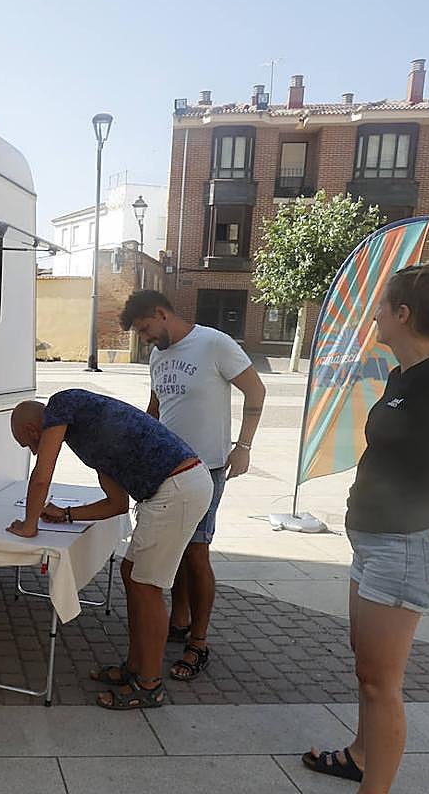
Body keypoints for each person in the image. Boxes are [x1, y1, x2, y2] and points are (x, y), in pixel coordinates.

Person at [304, 258, 429, 791]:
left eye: (379, 309)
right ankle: (359, 756)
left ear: (401, 313)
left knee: (380, 683)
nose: (373, 318)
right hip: (374, 542)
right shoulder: (404, 375)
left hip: (405, 546)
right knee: (366, 670)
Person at [8, 391, 211, 711]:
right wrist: (67, 515)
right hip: (177, 485)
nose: (32, 451)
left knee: (147, 586)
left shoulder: (62, 404)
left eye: (27, 443)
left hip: (177, 487)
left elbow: (42, 476)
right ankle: (134, 667)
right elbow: (117, 504)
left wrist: (29, 524)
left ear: (34, 430)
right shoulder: (89, 434)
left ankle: (149, 685)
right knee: (131, 575)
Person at [120, 289, 266, 683]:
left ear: (161, 313)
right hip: (165, 469)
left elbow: (256, 391)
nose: (147, 339)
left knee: (197, 552)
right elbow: (156, 409)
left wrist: (244, 446)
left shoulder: (214, 343)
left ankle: (198, 642)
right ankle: (179, 620)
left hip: (207, 468)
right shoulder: (157, 355)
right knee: (176, 550)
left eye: (147, 329)